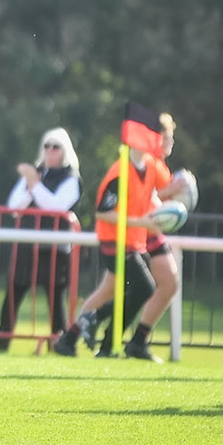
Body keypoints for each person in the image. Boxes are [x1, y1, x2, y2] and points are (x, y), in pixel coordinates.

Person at [50, 116, 182, 361]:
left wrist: (172, 205)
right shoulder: (120, 171)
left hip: (134, 239)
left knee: (110, 291)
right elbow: (102, 212)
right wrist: (142, 222)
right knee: (144, 288)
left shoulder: (150, 166)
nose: (160, 141)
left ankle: (75, 341)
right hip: (115, 240)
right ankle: (96, 321)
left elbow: (156, 196)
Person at [0, 128, 81, 352]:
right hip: (26, 246)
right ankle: (0, 346)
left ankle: (59, 347)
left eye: (56, 147)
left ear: (64, 151)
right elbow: (14, 207)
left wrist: (34, 184)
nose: (50, 151)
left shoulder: (72, 178)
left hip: (54, 249)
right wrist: (32, 183)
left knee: (55, 301)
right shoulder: (37, 173)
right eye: (47, 146)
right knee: (12, 296)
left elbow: (56, 207)